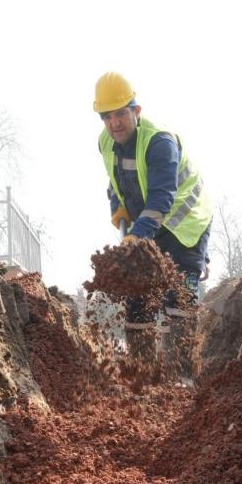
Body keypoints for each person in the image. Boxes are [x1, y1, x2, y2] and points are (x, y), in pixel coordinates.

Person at [93, 71, 213, 356]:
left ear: (136, 110)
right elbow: (116, 180)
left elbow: (162, 198)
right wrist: (118, 207)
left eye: (120, 114)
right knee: (137, 296)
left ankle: (181, 374)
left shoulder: (160, 143)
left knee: (178, 299)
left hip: (186, 225)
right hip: (147, 226)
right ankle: (142, 370)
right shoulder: (106, 142)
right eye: (107, 117)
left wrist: (136, 237)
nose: (114, 123)